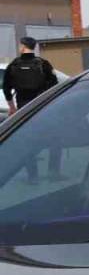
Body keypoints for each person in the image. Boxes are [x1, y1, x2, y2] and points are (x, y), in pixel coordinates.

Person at [2, 37, 64, 183]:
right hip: (44, 107)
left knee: (28, 142)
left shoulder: (13, 65)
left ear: (23, 47)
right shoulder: (44, 64)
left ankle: (33, 177)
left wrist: (12, 107)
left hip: (24, 108)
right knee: (55, 140)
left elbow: (6, 88)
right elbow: (55, 86)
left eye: (20, 45)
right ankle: (53, 173)